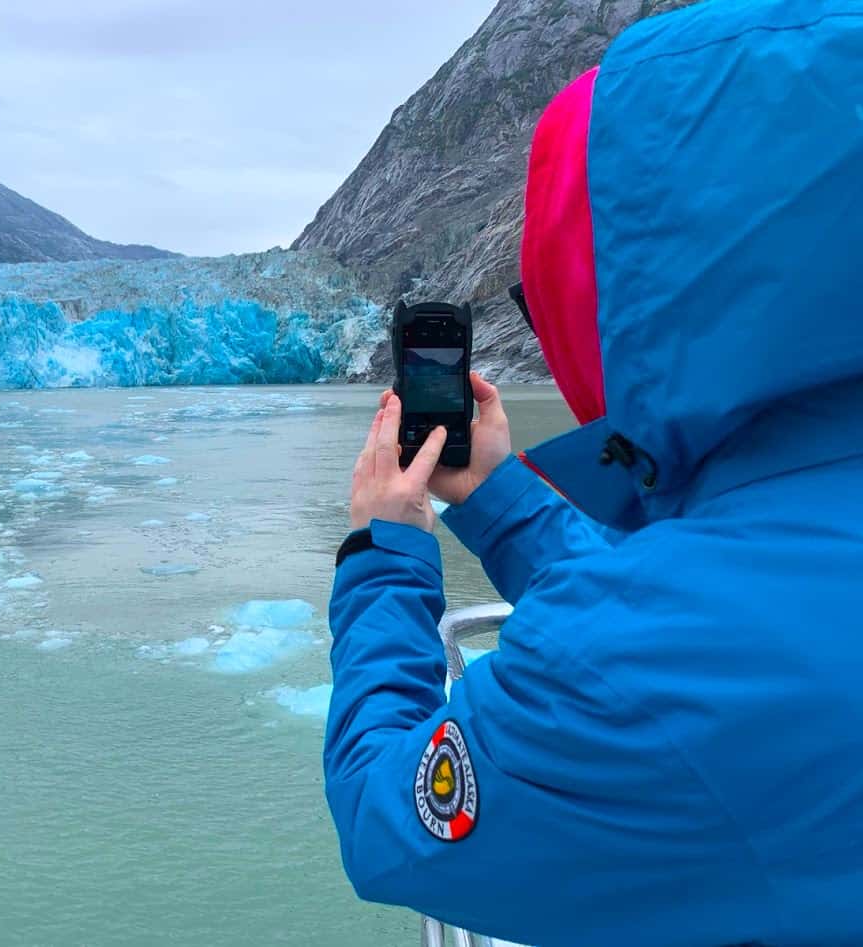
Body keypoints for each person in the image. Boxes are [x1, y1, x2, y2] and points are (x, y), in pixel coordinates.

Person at [323, 1, 863, 945]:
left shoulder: (652, 665)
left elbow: (390, 824)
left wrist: (384, 552)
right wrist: (498, 499)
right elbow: (703, 606)